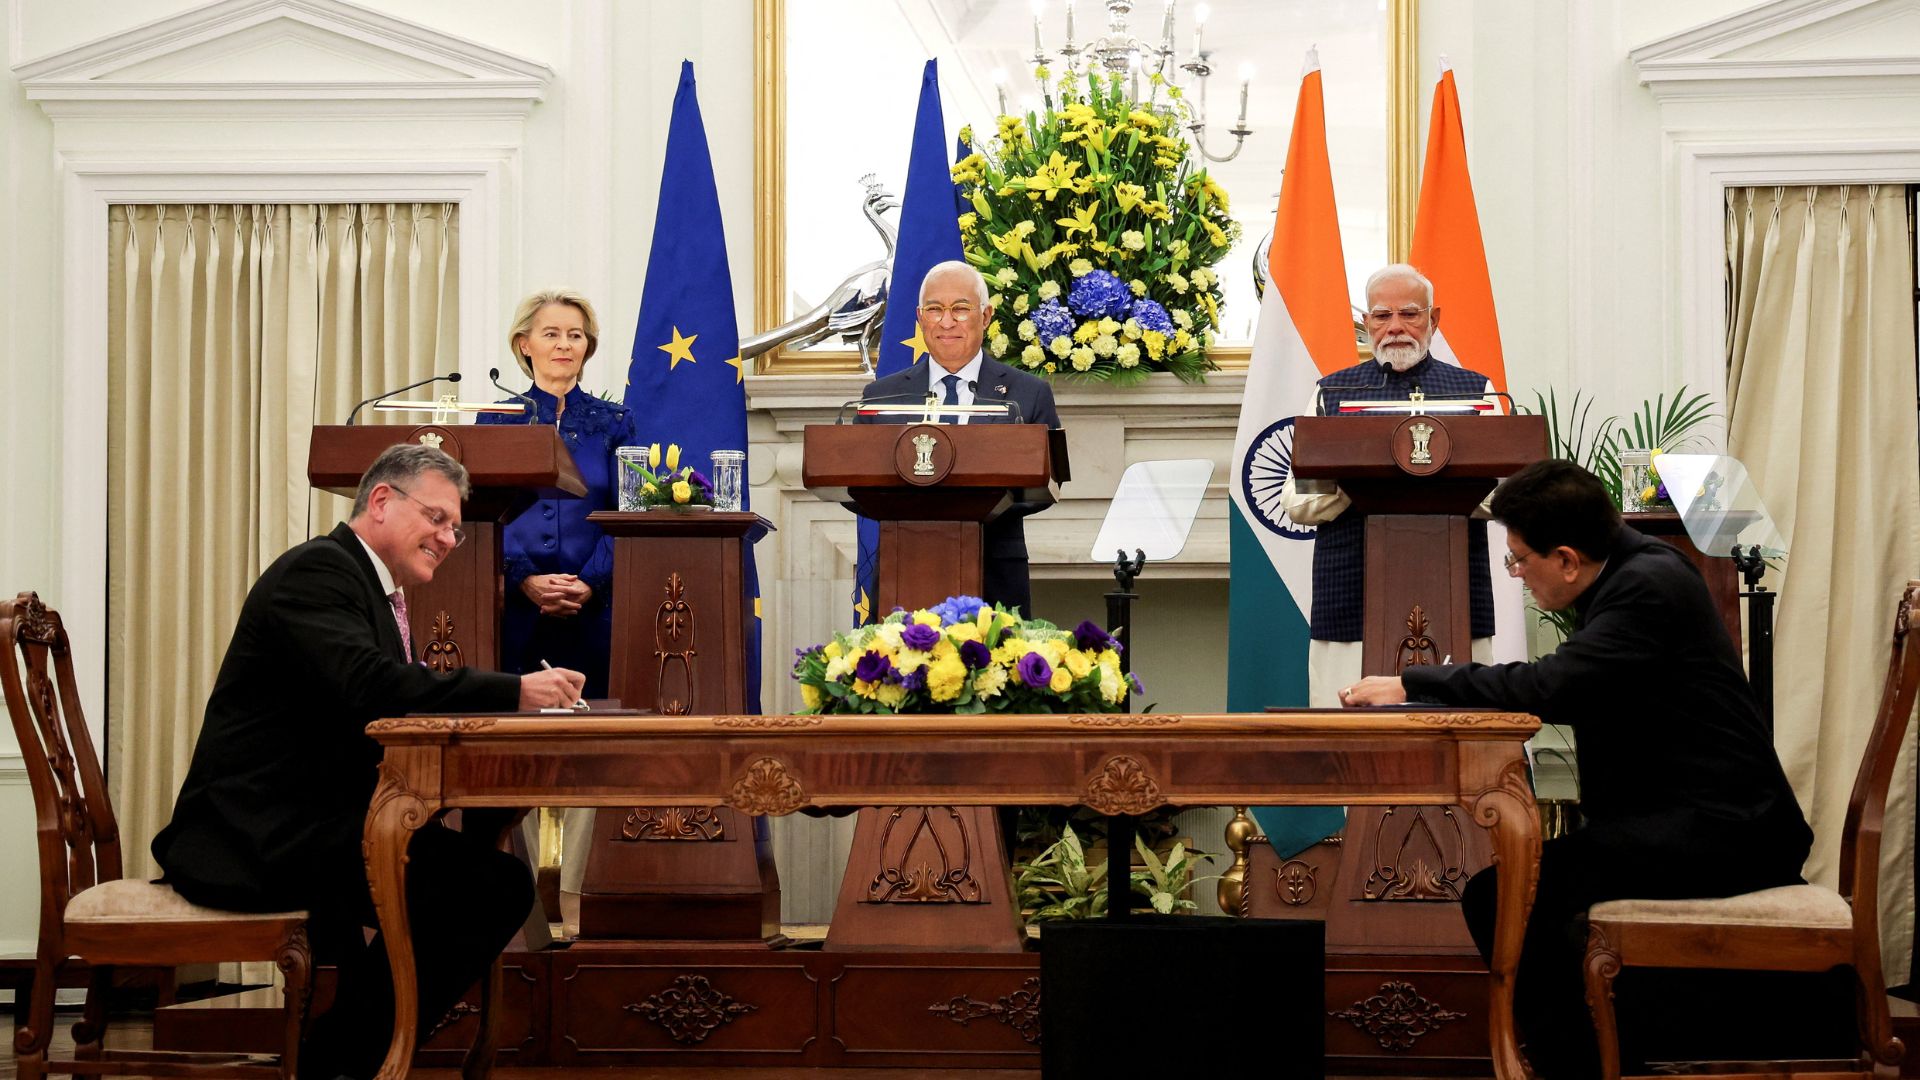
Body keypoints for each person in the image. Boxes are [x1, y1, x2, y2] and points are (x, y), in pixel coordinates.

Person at [1342, 459, 1814, 1079]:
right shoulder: (1632, 569)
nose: (1517, 576)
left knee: (1500, 895)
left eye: (1520, 561)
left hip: (1726, 833)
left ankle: (1580, 1068)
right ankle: (1600, 1058)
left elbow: (1552, 684)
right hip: (1693, 821)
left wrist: (1412, 681)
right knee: (1515, 891)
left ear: (1566, 559)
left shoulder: (1646, 586)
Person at [152, 443, 587, 1079]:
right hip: (256, 835)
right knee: (489, 886)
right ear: (381, 501)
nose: (447, 537)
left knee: (472, 877)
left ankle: (342, 1053)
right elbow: (373, 687)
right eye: (436, 518)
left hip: (318, 824)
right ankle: (342, 1062)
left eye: (454, 528)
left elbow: (383, 703)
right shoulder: (319, 573)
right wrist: (514, 691)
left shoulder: (364, 584)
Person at [1279, 263, 1501, 705]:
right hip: (1350, 598)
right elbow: (1296, 502)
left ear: (1434, 320)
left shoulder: (1478, 393)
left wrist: (1440, 481)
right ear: (1367, 324)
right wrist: (1363, 479)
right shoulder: (1330, 393)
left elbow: (1507, 494)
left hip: (1455, 590)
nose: (1395, 327)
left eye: (1410, 314)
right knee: (1349, 746)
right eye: (1382, 316)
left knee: (1460, 740)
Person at [857, 260, 1062, 617]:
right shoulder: (881, 396)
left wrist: (977, 507)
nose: (946, 322)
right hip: (905, 567)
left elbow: (1048, 481)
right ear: (920, 319)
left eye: (960, 309)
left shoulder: (1029, 394)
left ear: (986, 316)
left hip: (996, 569)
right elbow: (852, 477)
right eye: (935, 310)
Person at [477, 289, 637, 700]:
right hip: (514, 608)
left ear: (588, 347)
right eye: (551, 334)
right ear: (524, 344)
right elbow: (483, 511)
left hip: (595, 610)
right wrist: (524, 577)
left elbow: (628, 513)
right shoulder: (495, 420)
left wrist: (587, 582)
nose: (565, 344)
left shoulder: (615, 423)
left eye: (576, 335)